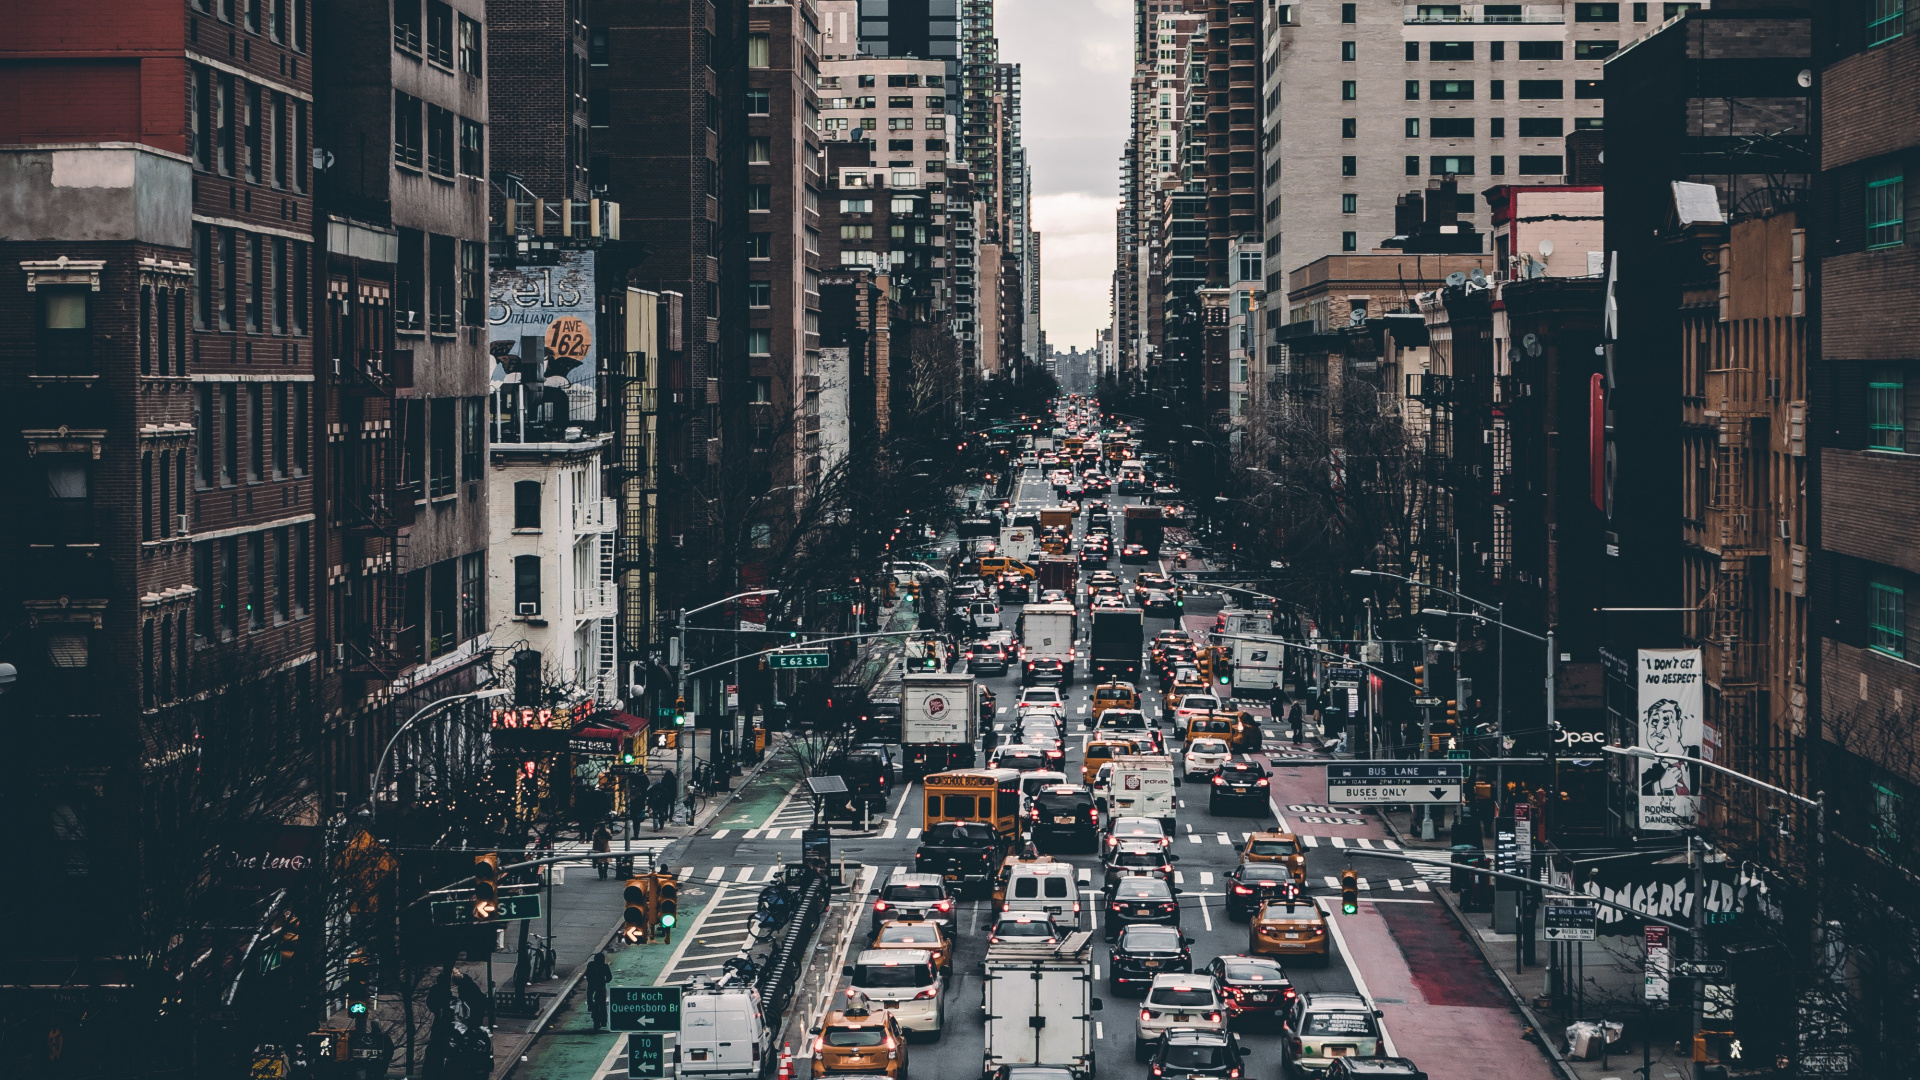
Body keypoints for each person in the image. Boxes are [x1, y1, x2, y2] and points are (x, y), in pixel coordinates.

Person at [586, 952, 612, 1032]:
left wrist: (604, 981)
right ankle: (603, 1019)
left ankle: (603, 1019)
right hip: (596, 985)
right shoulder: (603, 966)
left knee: (601, 1002)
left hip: (598, 985)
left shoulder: (592, 965)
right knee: (593, 997)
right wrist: (604, 981)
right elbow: (609, 977)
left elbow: (609, 977)